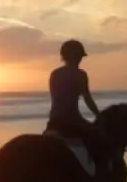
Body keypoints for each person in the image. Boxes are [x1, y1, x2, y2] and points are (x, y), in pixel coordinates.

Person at [45, 39, 108, 173]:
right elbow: (87, 98)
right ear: (76, 56)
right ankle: (96, 173)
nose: (80, 60)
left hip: (54, 120)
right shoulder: (80, 74)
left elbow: (57, 98)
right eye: (79, 56)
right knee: (99, 137)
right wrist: (98, 115)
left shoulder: (55, 74)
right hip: (72, 120)